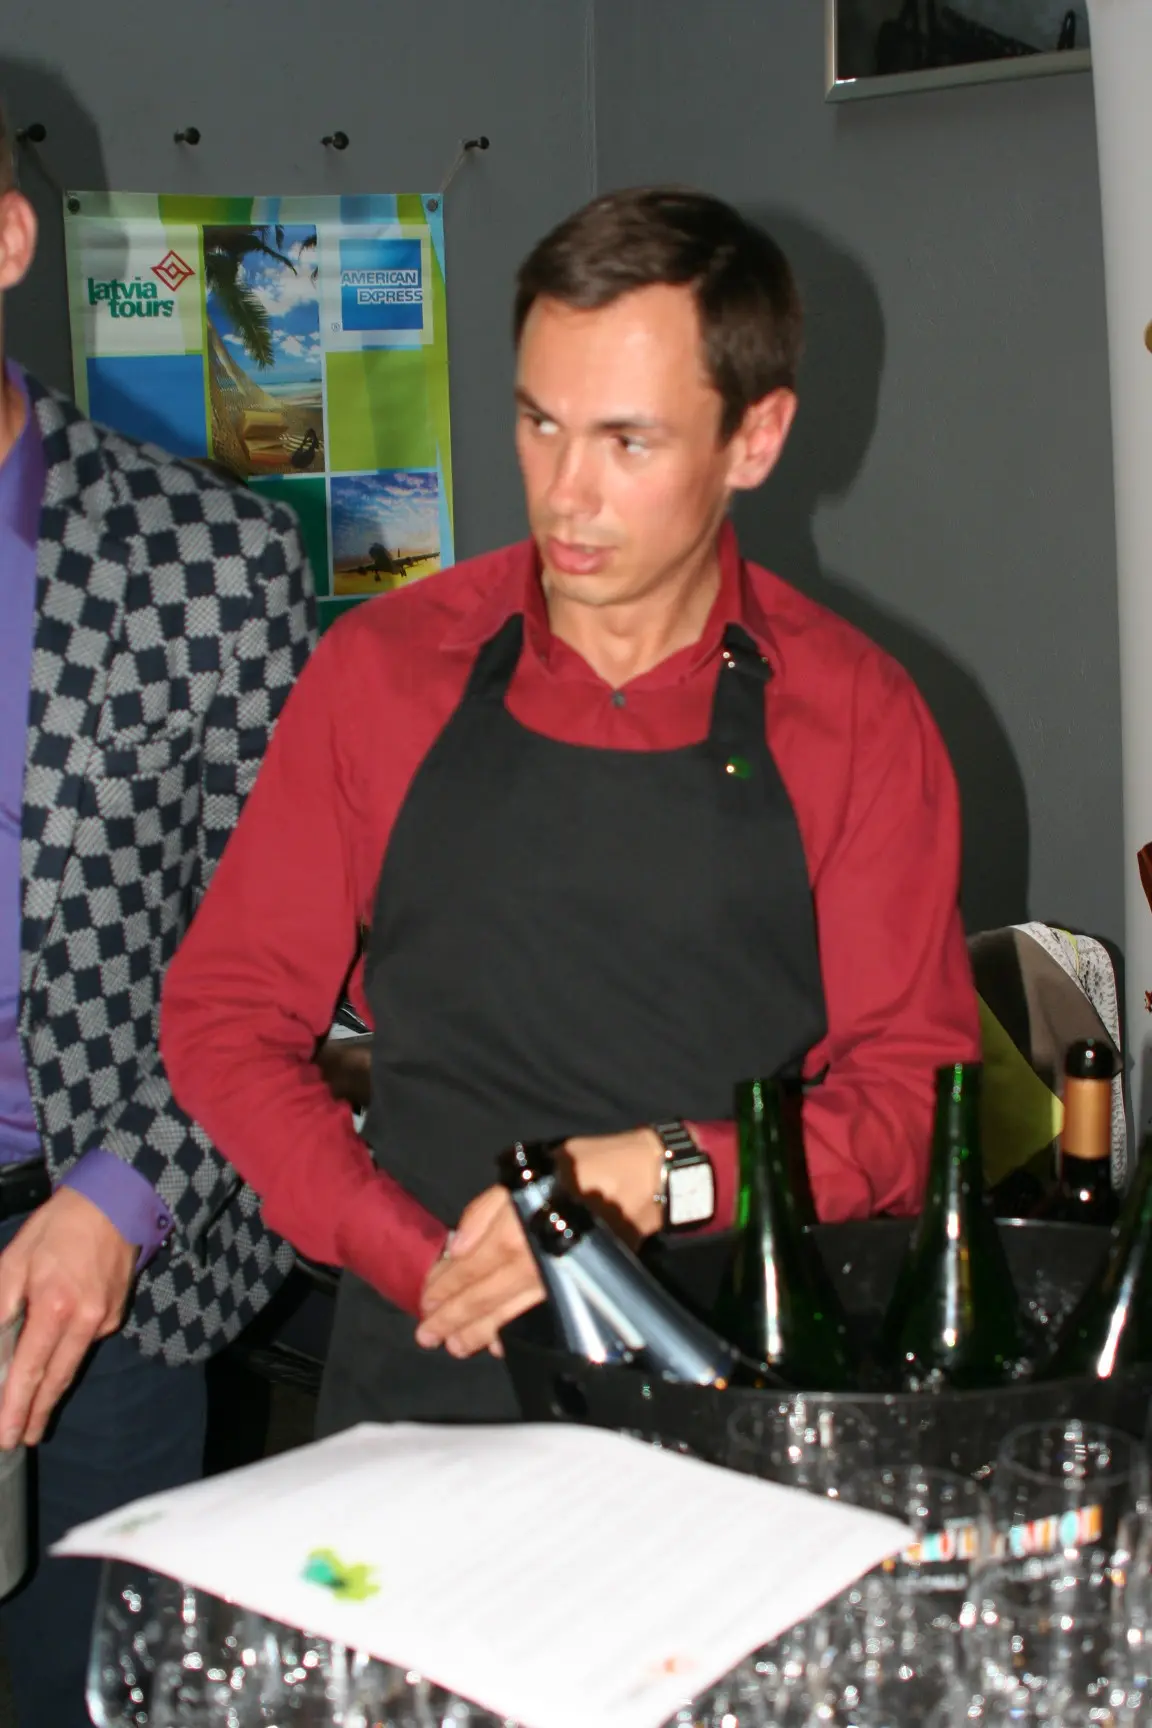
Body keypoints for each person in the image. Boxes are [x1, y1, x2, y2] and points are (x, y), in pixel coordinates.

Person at [162, 187, 980, 1433]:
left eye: (627, 443)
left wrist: (671, 1171)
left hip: (727, 1382)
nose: (565, 496)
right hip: (431, 1370)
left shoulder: (856, 714)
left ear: (755, 438)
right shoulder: (387, 673)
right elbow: (223, 1018)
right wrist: (408, 1254)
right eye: (539, 424)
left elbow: (911, 1102)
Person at [0, 108, 314, 1725]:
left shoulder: (210, 559)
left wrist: (121, 1196)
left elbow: (280, 955)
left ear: (6, 240)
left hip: (99, 1248)